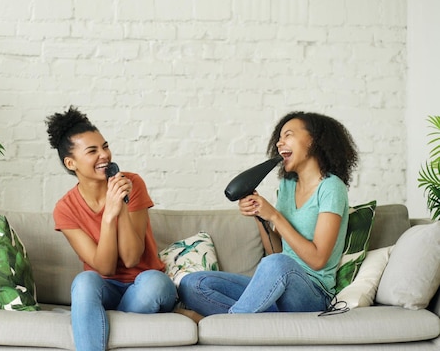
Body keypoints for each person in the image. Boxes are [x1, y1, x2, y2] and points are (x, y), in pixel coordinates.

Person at [178, 111, 358, 320]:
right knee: (193, 284)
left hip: (314, 293)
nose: (280, 144)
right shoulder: (287, 186)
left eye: (288, 135)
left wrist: (274, 215)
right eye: (279, 138)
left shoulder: (331, 187)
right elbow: (277, 250)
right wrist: (260, 216)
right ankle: (258, 318)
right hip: (277, 286)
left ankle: (229, 324)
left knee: (277, 265)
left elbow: (318, 260)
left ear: (314, 141)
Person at [45, 106, 177, 351]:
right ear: (71, 162)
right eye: (92, 151)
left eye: (105, 146)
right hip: (106, 290)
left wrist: (122, 205)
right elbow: (104, 267)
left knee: (155, 283)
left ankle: (99, 324)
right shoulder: (65, 209)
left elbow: (130, 258)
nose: (104, 155)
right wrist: (109, 216)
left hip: (144, 285)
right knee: (85, 281)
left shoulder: (131, 183)